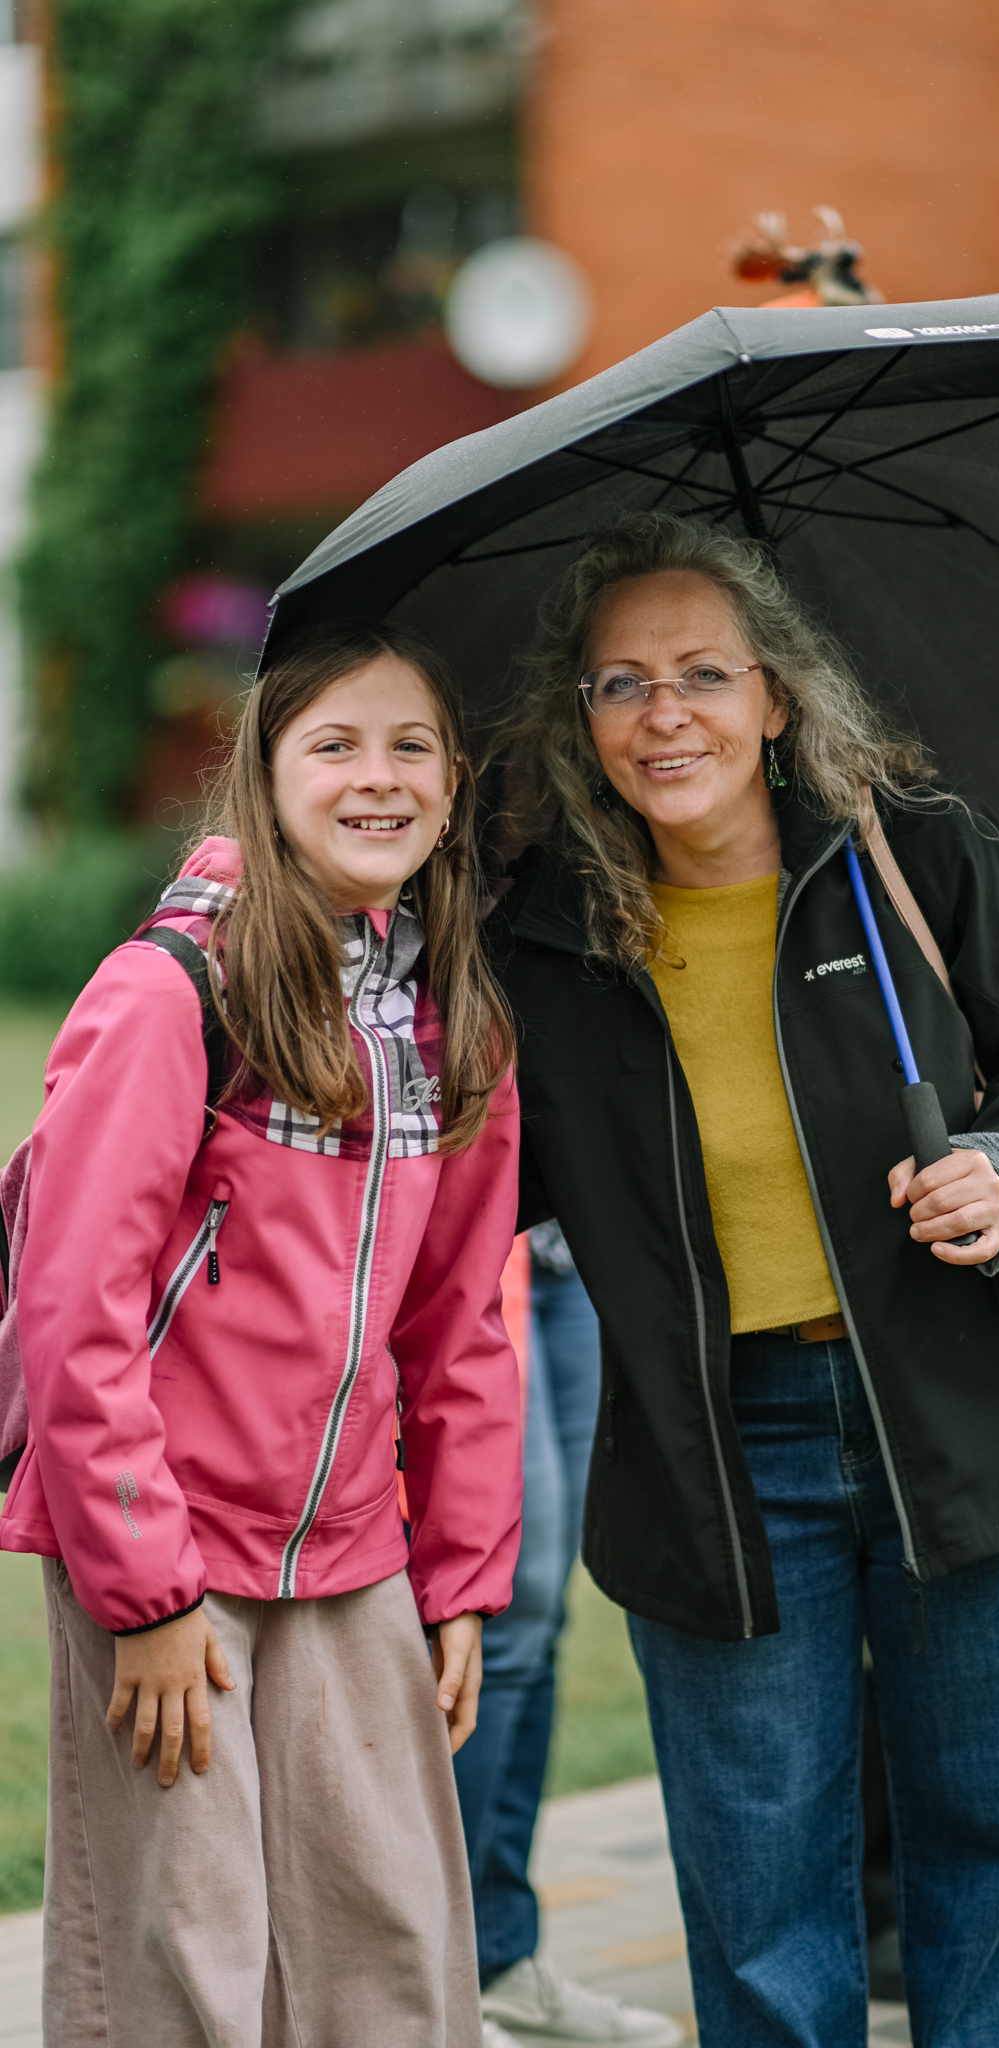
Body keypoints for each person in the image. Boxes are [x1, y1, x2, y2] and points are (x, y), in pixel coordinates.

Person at [487, 511, 999, 2048]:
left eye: (704, 674)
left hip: (970, 1417)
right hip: (716, 1454)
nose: (665, 716)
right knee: (759, 1901)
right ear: (581, 718)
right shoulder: (545, 944)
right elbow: (478, 1183)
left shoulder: (912, 852)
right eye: (621, 683)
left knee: (997, 1869)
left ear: (777, 696)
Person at [0, 622, 523, 2047]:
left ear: (455, 785)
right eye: (334, 745)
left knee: (389, 1934)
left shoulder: (455, 1025)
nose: (378, 777)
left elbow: (462, 1323)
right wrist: (145, 1596)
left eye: (411, 747)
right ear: (265, 772)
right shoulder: (170, 991)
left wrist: (460, 1575)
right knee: (189, 1945)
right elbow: (75, 1311)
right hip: (168, 1547)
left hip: (353, 1546)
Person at [460, 1224, 681, 2047]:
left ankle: (499, 1956)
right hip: (485, 1245)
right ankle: (440, 1973)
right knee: (505, 1613)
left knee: (541, 1611)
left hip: (574, 1253)